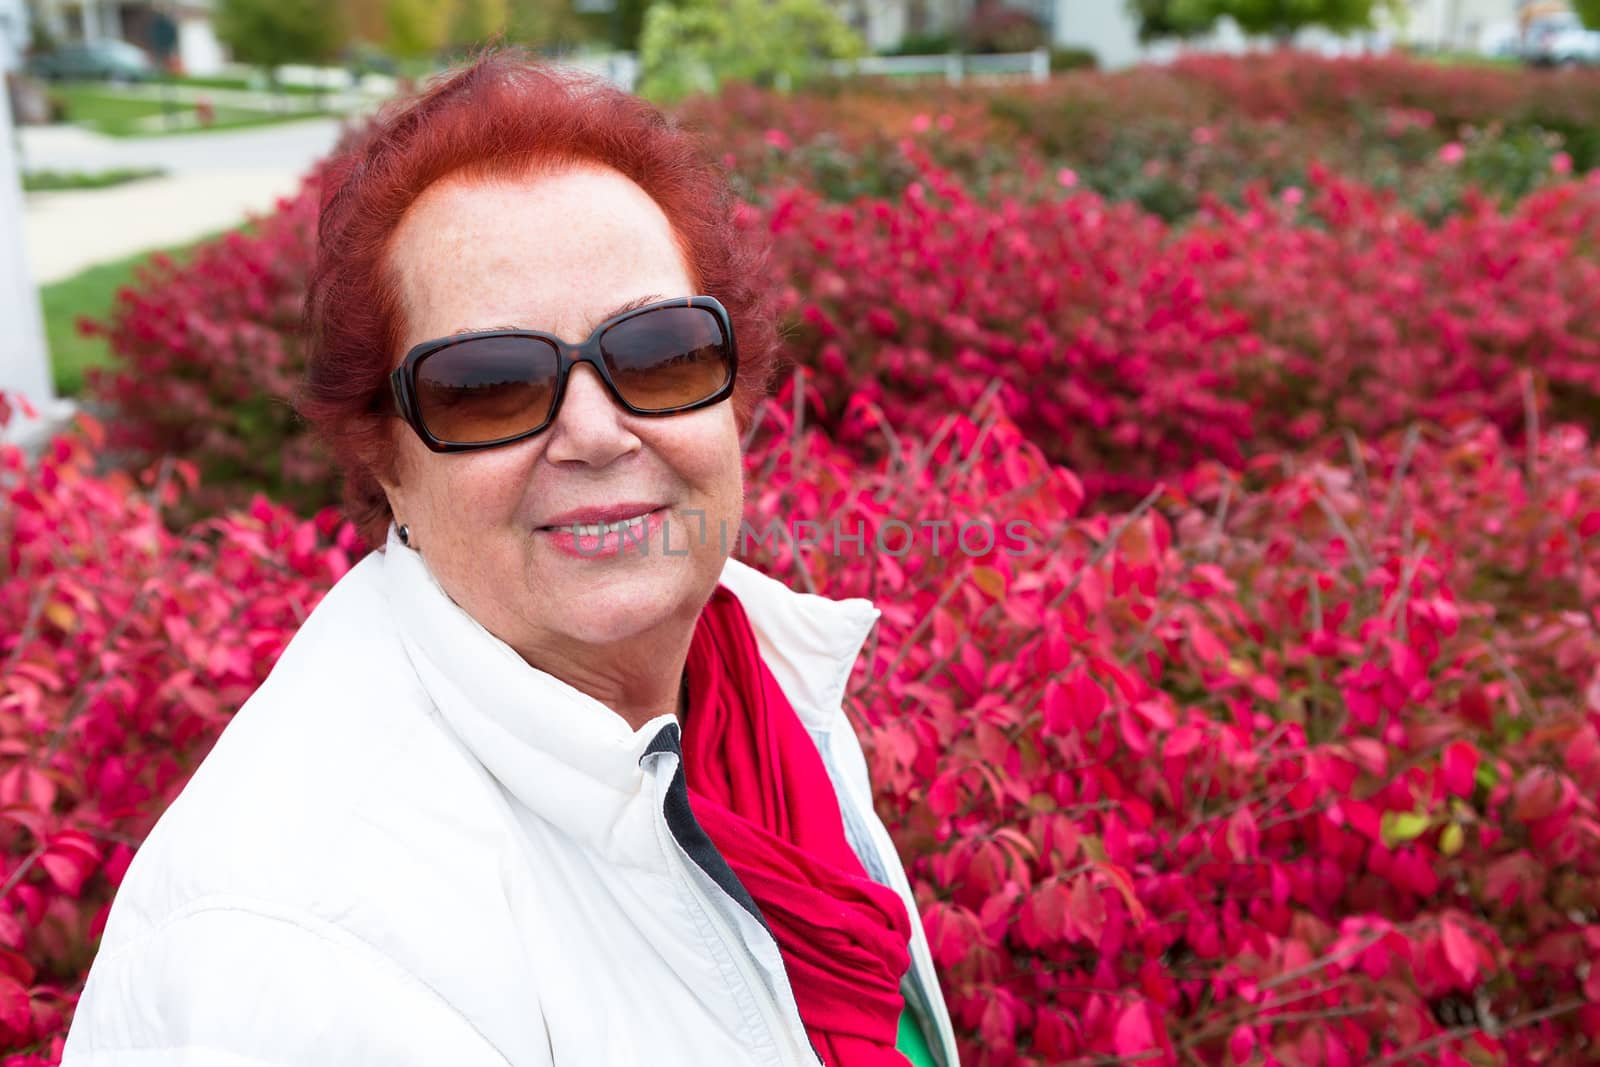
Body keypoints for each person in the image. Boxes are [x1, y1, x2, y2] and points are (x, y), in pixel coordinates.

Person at [59, 48, 958, 1067]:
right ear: (383, 456)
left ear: (734, 389)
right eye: (487, 384)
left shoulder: (762, 693)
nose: (596, 431)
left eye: (660, 354)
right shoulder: (301, 949)